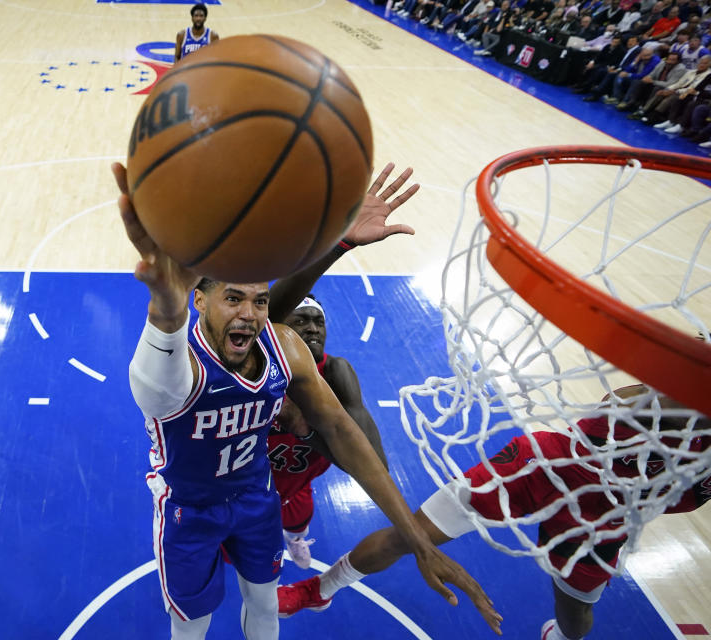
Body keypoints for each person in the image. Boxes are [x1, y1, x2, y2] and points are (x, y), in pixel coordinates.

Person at [117, 159, 500, 640]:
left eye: (258, 302)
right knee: (192, 624)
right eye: (233, 298)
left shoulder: (285, 346)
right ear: (199, 301)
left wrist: (418, 539)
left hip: (257, 496)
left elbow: (344, 432)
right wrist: (163, 311)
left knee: (264, 604)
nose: (250, 312)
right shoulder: (177, 368)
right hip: (189, 509)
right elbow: (155, 376)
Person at [276, 384, 710, 640]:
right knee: (409, 535)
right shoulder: (661, 396)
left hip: (608, 512)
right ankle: (323, 588)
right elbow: (620, 404)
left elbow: (687, 499)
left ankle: (556, 637)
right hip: (547, 466)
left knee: (575, 615)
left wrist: (641, 500)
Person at [265, 294, 390, 570]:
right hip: (249, 483)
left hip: (297, 481)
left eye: (319, 321)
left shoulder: (336, 373)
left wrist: (305, 429)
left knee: (298, 521)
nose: (313, 328)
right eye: (301, 321)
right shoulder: (260, 369)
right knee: (236, 548)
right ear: (280, 331)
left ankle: (295, 538)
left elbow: (374, 466)